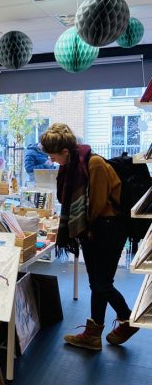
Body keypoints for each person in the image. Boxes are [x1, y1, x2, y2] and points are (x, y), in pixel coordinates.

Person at [40, 123, 138, 350]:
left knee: (102, 283)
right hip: (93, 229)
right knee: (97, 283)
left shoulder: (94, 164)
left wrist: (84, 229)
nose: (52, 160)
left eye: (53, 156)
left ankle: (128, 319)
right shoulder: (74, 166)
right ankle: (94, 334)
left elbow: (97, 203)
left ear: (65, 152)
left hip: (107, 229)